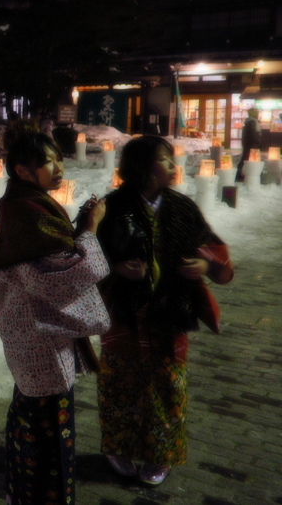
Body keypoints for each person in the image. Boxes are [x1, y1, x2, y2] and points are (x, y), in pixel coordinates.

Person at [0, 120, 110, 505]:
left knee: (29, 425)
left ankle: (21, 495)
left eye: (59, 160)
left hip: (31, 340)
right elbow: (64, 276)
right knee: (48, 442)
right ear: (23, 171)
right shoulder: (28, 212)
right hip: (41, 344)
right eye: (49, 163)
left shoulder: (24, 204)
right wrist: (88, 229)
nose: (59, 169)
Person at [95, 135, 233, 487]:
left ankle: (161, 453)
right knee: (120, 385)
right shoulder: (111, 207)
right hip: (123, 315)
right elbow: (88, 255)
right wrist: (116, 268)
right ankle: (118, 447)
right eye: (166, 160)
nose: (174, 167)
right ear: (143, 167)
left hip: (171, 312)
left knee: (168, 386)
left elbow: (212, 248)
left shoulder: (182, 207)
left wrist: (204, 266)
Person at [236, 107, 261, 181]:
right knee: (246, 158)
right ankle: (240, 174)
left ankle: (240, 173)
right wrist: (256, 143)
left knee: (245, 158)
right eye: (257, 113)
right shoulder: (253, 122)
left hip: (248, 144)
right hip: (251, 144)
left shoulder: (249, 122)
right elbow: (253, 134)